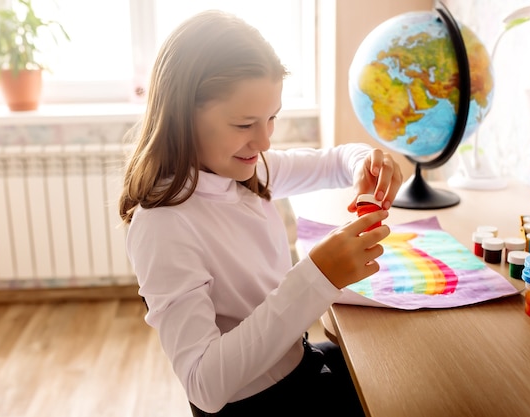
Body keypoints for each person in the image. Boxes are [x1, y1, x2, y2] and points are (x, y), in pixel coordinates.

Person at [119, 9, 402, 417]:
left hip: (295, 365)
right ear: (182, 116)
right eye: (245, 123)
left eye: (272, 118)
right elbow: (204, 384)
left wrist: (365, 164)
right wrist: (317, 276)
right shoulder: (164, 224)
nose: (265, 140)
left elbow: (337, 161)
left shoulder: (245, 169)